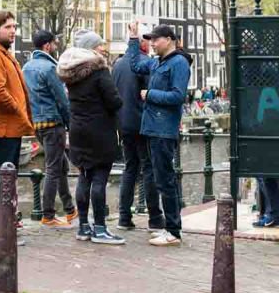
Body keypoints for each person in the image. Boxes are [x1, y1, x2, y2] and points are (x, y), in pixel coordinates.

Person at [127, 23, 192, 247]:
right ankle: (169, 227)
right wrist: (134, 39)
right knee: (160, 178)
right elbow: (135, 65)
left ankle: (173, 230)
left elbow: (177, 96)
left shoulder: (179, 63)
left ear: (169, 39)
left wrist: (150, 94)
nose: (152, 43)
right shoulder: (157, 63)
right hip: (153, 128)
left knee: (166, 180)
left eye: (156, 40)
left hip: (164, 130)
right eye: (151, 40)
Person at [57, 29, 124, 245]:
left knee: (84, 176)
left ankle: (83, 226)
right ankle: (101, 229)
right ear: (91, 49)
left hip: (78, 130)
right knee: (99, 178)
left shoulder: (71, 72)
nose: (103, 48)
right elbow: (113, 100)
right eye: (99, 45)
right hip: (99, 130)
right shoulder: (99, 71)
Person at [0, 10, 34, 240]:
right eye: (8, 27)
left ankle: (3, 223)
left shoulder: (4, 54)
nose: (13, 31)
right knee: (1, 176)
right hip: (7, 125)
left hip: (13, 125)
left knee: (6, 175)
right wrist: (17, 109)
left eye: (14, 27)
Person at [22, 29, 74, 227]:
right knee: (53, 169)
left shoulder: (26, 67)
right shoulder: (49, 68)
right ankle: (48, 215)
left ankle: (70, 209)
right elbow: (61, 100)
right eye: (54, 43)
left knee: (61, 165)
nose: (56, 46)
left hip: (37, 124)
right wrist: (71, 125)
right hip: (53, 123)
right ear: (47, 46)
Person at [112, 37, 161, 232]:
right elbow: (150, 93)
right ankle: (155, 217)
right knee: (148, 168)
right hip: (142, 123)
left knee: (130, 167)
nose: (151, 44)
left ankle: (124, 216)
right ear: (142, 44)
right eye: (148, 41)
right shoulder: (144, 64)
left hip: (123, 124)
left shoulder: (117, 65)